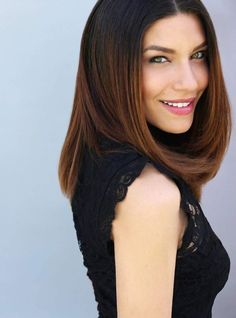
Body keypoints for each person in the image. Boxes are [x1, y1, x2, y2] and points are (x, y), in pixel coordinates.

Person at [58, 0, 232, 317]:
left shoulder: (100, 153)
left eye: (198, 55)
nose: (191, 82)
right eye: (159, 58)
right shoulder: (149, 196)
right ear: (112, 67)